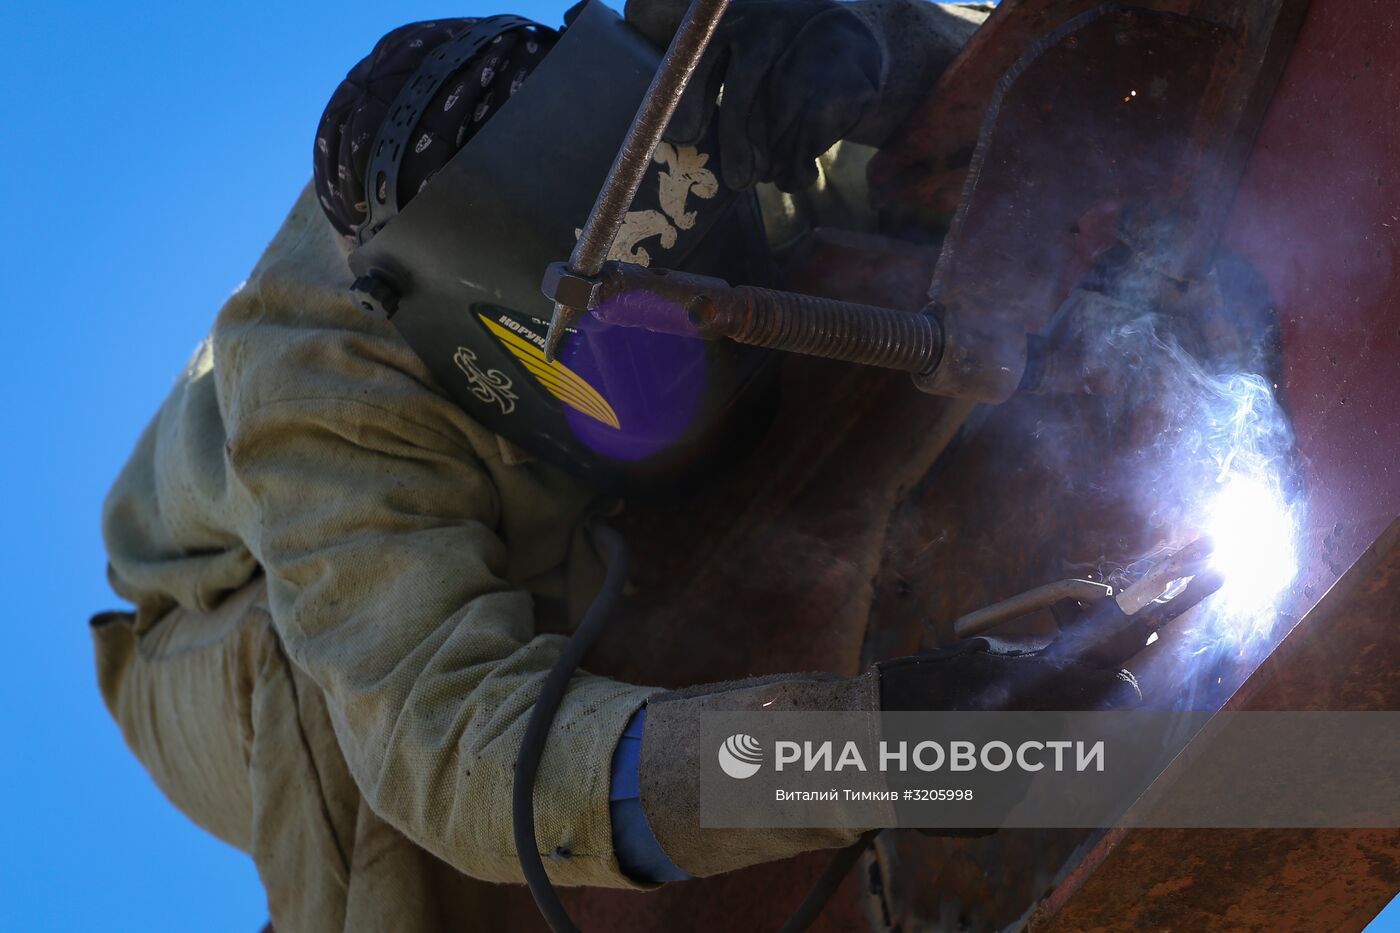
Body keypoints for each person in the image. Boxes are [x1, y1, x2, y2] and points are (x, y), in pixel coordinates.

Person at [92, 1, 1135, 929]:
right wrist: (853, 753)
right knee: (411, 799)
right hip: (232, 630)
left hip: (570, 504)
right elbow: (447, 747)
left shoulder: (670, 62)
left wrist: (874, 48)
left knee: (875, 279)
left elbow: (1009, 59)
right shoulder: (327, 400)